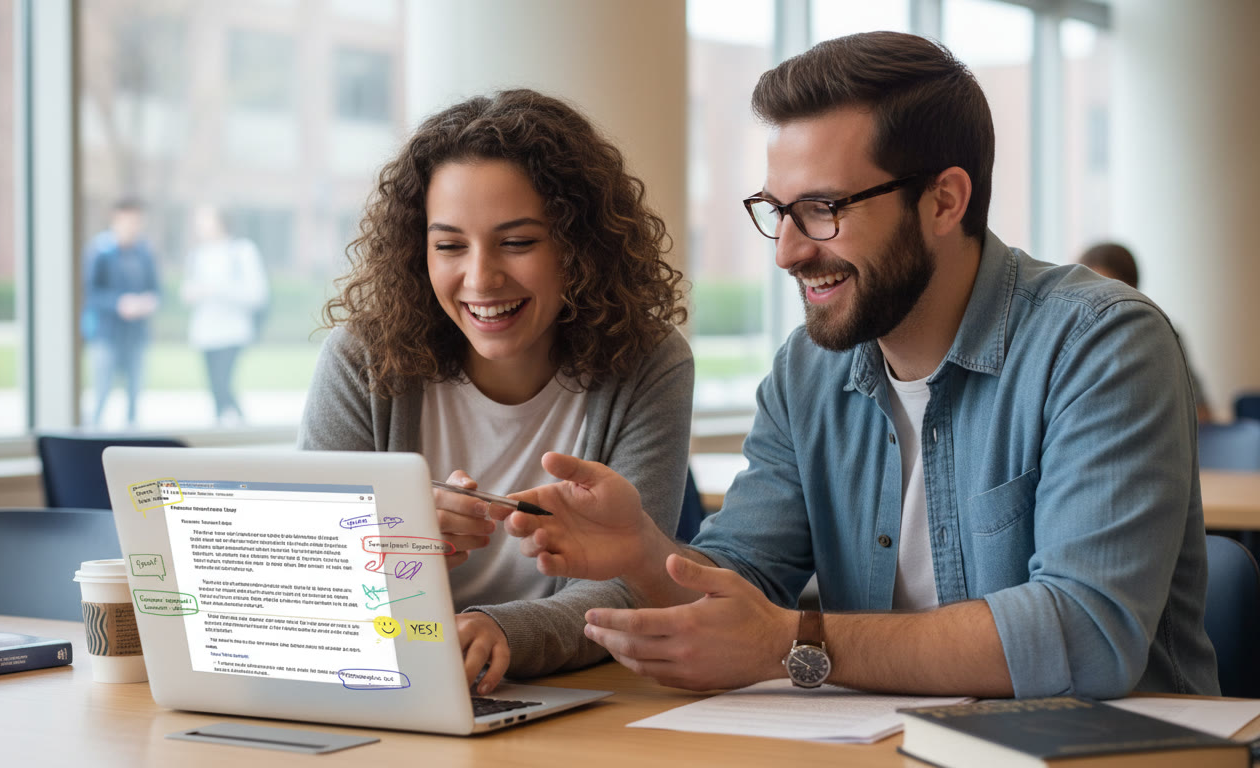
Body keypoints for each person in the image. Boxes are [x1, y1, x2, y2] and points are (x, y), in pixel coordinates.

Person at [500, 32, 1218, 700]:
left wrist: (796, 643)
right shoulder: (807, 370)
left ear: (944, 200)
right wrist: (644, 553)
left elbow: (1089, 636)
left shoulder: (1101, 343)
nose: (785, 251)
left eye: (822, 208)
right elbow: (746, 581)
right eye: (776, 210)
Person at [298, 89, 694, 694]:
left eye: (518, 242)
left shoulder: (648, 363)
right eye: (449, 245)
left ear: (579, 248)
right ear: (417, 251)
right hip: (388, 688)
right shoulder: (363, 359)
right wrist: (389, 548)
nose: (481, 278)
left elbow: (629, 579)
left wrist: (505, 632)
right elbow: (309, 573)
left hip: (572, 701)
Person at [1076, 241, 1214, 423]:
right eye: (1084, 291)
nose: (1094, 304)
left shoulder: (1160, 334)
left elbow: (1201, 411)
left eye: (1104, 293)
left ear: (1131, 289)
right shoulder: (1071, 340)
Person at [181, 205, 268, 426]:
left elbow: (257, 294)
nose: (200, 226)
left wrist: (217, 289)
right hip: (205, 332)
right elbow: (186, 292)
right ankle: (224, 424)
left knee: (223, 383)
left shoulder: (242, 251)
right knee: (214, 387)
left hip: (232, 332)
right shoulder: (198, 255)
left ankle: (240, 424)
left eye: (205, 220)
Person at [84, 198, 160, 427]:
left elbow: (156, 289)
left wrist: (148, 302)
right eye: (128, 221)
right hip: (106, 333)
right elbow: (89, 292)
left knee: (134, 393)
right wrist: (118, 303)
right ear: (116, 220)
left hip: (136, 334)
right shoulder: (100, 251)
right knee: (102, 390)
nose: (133, 226)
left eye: (137, 221)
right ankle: (94, 433)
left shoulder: (144, 252)